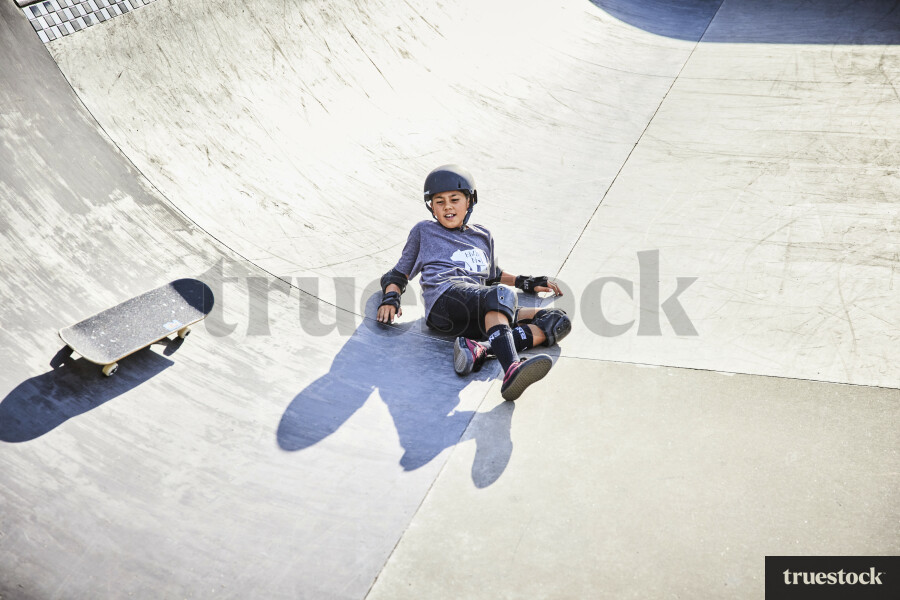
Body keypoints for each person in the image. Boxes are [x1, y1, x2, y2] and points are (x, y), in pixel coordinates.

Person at [376, 164, 572, 401]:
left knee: (557, 320)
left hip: (480, 306)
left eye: (454, 199)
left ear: (469, 201)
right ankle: (511, 369)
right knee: (500, 295)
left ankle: (481, 349)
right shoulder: (424, 231)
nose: (447, 206)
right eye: (439, 202)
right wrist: (391, 297)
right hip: (444, 301)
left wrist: (526, 281)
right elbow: (397, 274)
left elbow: (492, 274)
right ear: (432, 207)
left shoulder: (482, 236)